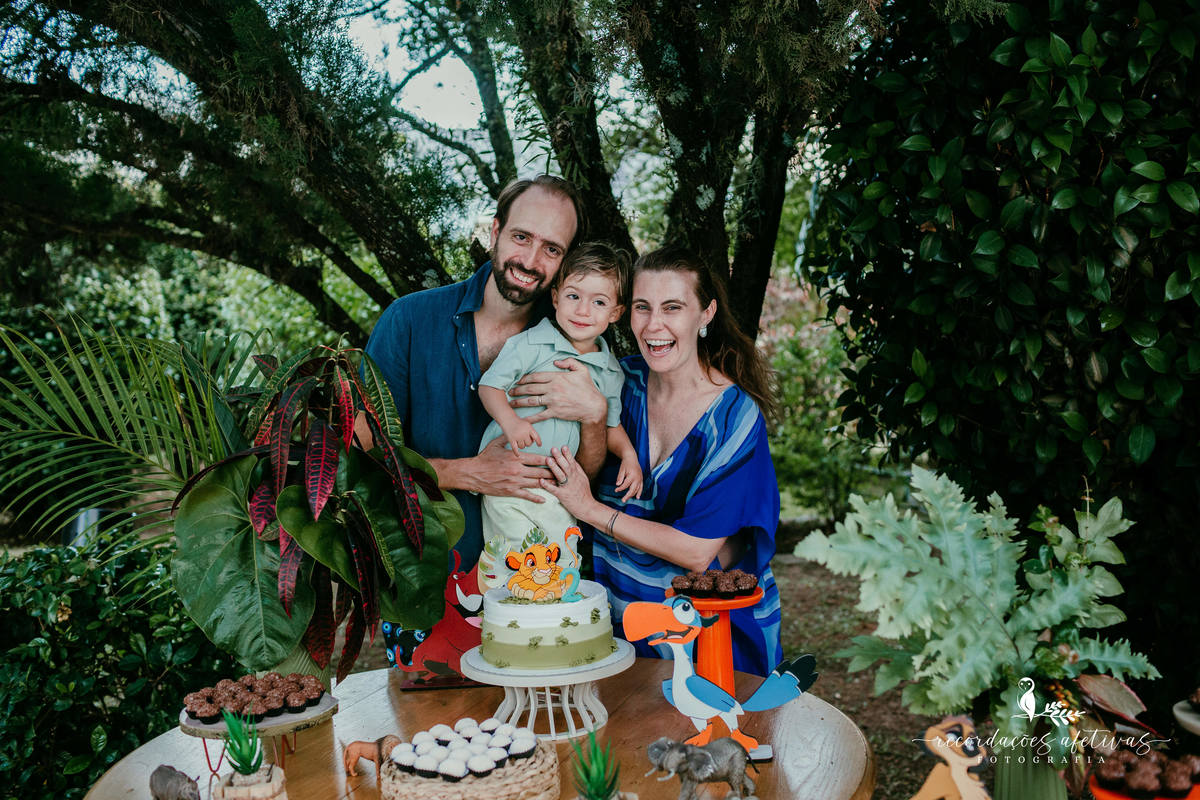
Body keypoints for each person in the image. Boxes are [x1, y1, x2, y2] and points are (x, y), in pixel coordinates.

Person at [539, 245, 782, 677]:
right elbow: (584, 464)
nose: (654, 325)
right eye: (642, 307)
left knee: (711, 738)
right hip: (618, 623)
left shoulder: (733, 418)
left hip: (707, 634)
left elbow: (695, 550)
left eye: (673, 307)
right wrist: (594, 416)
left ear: (705, 314)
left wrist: (590, 510)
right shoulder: (619, 380)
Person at [363, 175, 609, 575]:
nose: (531, 261)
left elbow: (583, 475)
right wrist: (467, 472)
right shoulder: (408, 320)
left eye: (551, 249)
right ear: (496, 231)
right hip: (424, 579)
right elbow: (363, 454)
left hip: (537, 578)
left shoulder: (579, 341)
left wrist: (595, 418)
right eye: (521, 237)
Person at [474, 242, 643, 589]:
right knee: (516, 561)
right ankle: (513, 622)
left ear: (616, 312)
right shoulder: (530, 345)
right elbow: (489, 388)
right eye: (573, 296)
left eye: (599, 302)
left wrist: (628, 455)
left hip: (560, 486)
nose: (583, 310)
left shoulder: (611, 370)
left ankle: (553, 631)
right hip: (511, 477)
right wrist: (512, 421)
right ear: (555, 298)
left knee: (560, 564)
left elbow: (610, 423)